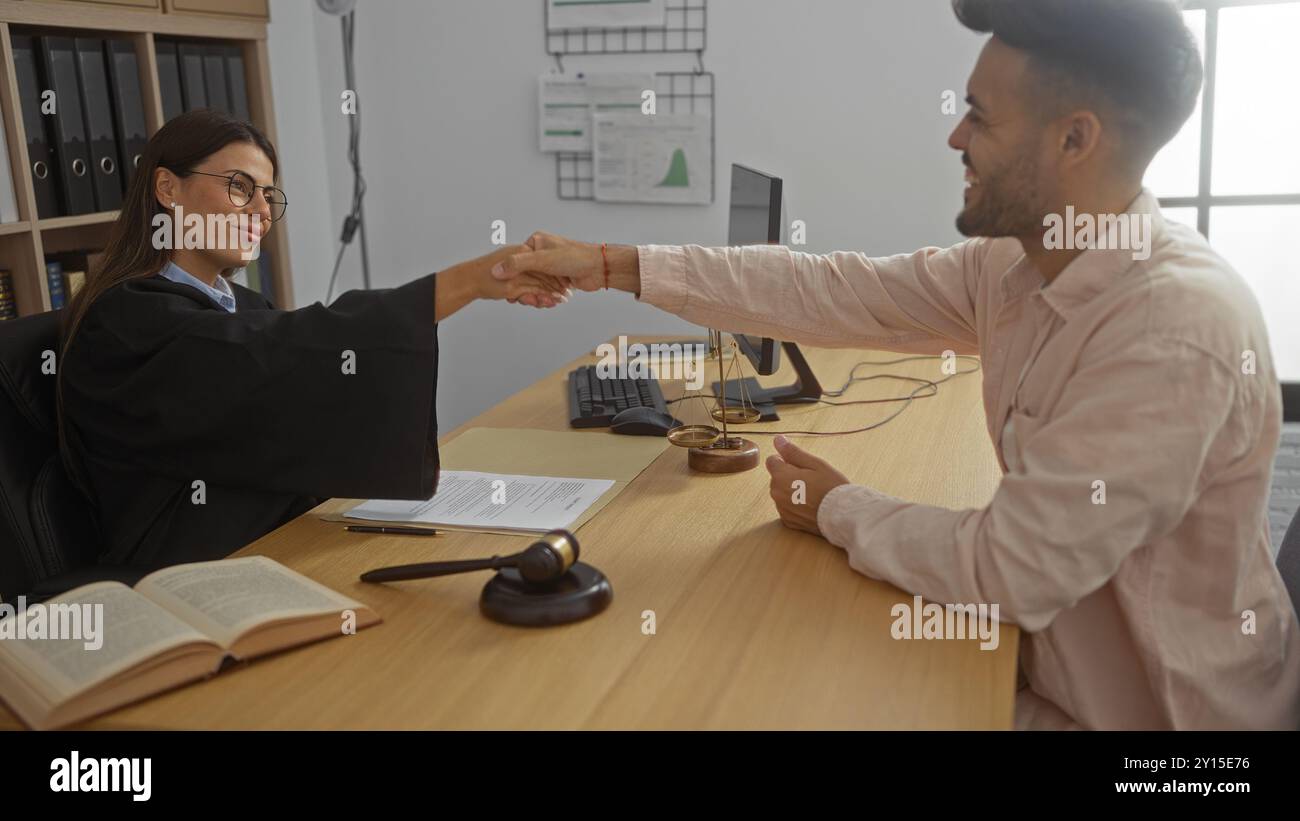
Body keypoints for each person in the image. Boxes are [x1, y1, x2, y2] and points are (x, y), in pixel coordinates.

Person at [490, 0, 1300, 729]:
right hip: (1052, 674)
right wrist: (607, 263)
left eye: (980, 118)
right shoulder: (1015, 266)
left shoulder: (1170, 329)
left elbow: (1008, 571)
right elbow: (834, 290)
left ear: (1075, 138)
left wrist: (839, 505)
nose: (955, 137)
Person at [57, 109, 568, 570]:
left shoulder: (246, 307)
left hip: (282, 546)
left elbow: (295, 389)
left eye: (269, 196)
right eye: (240, 186)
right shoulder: (123, 321)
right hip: (188, 577)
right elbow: (275, 352)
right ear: (168, 188)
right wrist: (463, 284)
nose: (261, 210)